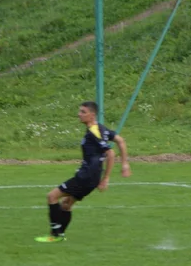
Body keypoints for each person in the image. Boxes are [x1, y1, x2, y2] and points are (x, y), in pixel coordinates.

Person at [37, 101, 131, 243]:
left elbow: (110, 153)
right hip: (91, 178)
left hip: (86, 177)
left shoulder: (94, 132)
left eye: (83, 112)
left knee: (52, 196)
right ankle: (60, 235)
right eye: (80, 111)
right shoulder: (101, 129)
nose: (79, 114)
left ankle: (54, 234)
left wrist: (106, 178)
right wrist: (125, 164)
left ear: (92, 115)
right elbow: (121, 141)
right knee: (66, 204)